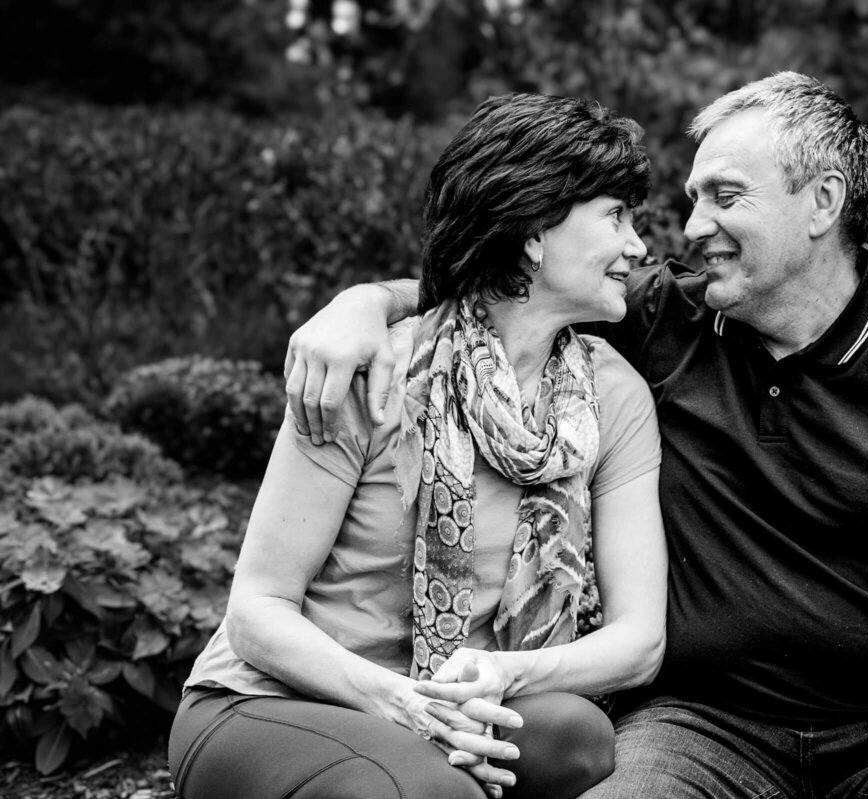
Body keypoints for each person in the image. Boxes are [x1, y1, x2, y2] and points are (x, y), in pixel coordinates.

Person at [283, 73, 868, 798]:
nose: (690, 228)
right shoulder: (660, 317)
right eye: (694, 199)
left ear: (823, 203)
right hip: (701, 725)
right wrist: (369, 303)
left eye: (725, 196)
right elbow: (510, 287)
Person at [169, 92, 668, 799]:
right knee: (432, 789)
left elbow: (639, 640)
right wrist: (405, 702)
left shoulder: (611, 395)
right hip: (275, 701)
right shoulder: (373, 372)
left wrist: (502, 675)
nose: (638, 245)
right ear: (532, 230)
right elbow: (256, 612)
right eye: (615, 216)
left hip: (451, 701)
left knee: (577, 737)